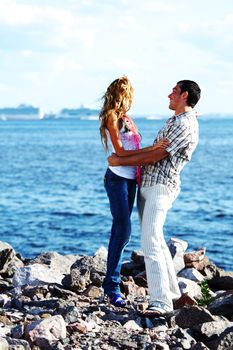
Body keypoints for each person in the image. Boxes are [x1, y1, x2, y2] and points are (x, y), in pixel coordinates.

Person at [108, 80, 201, 316]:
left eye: (174, 91)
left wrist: (119, 161)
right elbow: (152, 150)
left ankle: (160, 302)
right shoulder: (175, 120)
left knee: (149, 240)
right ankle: (172, 294)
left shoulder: (184, 124)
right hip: (149, 186)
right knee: (157, 241)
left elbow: (156, 155)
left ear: (184, 95)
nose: (169, 94)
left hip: (161, 187)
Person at [99, 76, 168, 307]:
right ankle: (111, 287)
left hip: (131, 181)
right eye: (127, 94)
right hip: (117, 180)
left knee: (123, 231)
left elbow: (132, 152)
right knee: (123, 229)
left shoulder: (127, 118)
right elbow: (119, 152)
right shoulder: (111, 116)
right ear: (121, 94)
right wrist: (153, 149)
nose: (129, 99)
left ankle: (111, 283)